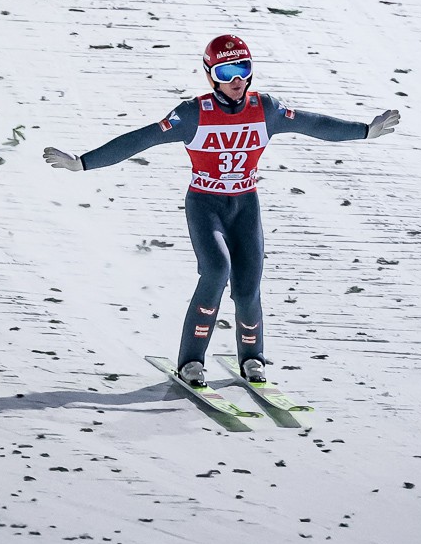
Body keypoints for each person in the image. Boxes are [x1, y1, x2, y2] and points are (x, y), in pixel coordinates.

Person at [43, 35, 399, 387]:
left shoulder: (266, 109)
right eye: (226, 72)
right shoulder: (192, 114)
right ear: (210, 75)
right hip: (205, 205)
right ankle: (191, 361)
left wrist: (364, 131)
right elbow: (142, 138)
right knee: (216, 270)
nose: (236, 80)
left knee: (248, 286)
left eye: (243, 69)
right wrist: (83, 162)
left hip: (245, 206)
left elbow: (313, 124)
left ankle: (253, 358)